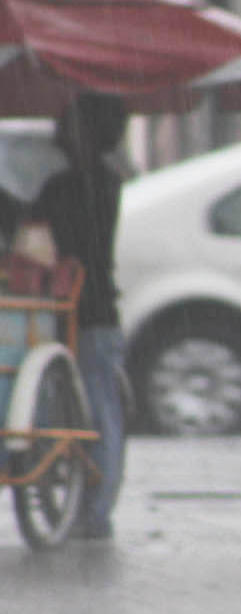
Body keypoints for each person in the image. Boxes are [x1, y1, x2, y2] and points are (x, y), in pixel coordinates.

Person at [29, 93, 131, 541]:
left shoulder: (72, 187)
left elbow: (42, 237)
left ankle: (93, 505)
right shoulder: (105, 182)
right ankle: (94, 502)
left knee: (89, 407)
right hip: (91, 308)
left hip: (77, 308)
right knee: (97, 406)